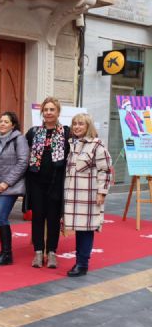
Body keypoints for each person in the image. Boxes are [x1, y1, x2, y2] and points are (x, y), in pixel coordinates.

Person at [63, 113, 112, 277]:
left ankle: (82, 264)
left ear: (88, 126)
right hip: (73, 195)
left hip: (89, 195)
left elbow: (105, 170)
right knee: (79, 229)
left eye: (81, 124)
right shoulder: (71, 144)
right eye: (75, 124)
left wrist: (102, 193)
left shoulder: (97, 145)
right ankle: (80, 262)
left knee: (86, 230)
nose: (77, 127)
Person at [25, 97, 70, 269]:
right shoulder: (33, 132)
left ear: (58, 112)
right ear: (42, 112)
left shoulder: (66, 133)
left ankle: (51, 252)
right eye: (46, 110)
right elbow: (22, 153)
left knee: (53, 218)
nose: (49, 112)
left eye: (52, 109)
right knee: (37, 217)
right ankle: (38, 252)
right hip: (36, 182)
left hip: (56, 182)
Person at [0, 112, 29, 266]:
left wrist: (6, 183)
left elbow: (22, 162)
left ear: (13, 125)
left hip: (10, 187)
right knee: (0, 218)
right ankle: (4, 252)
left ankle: (7, 254)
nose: (2, 124)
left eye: (6, 121)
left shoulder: (19, 139)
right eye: (1, 121)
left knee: (0, 216)